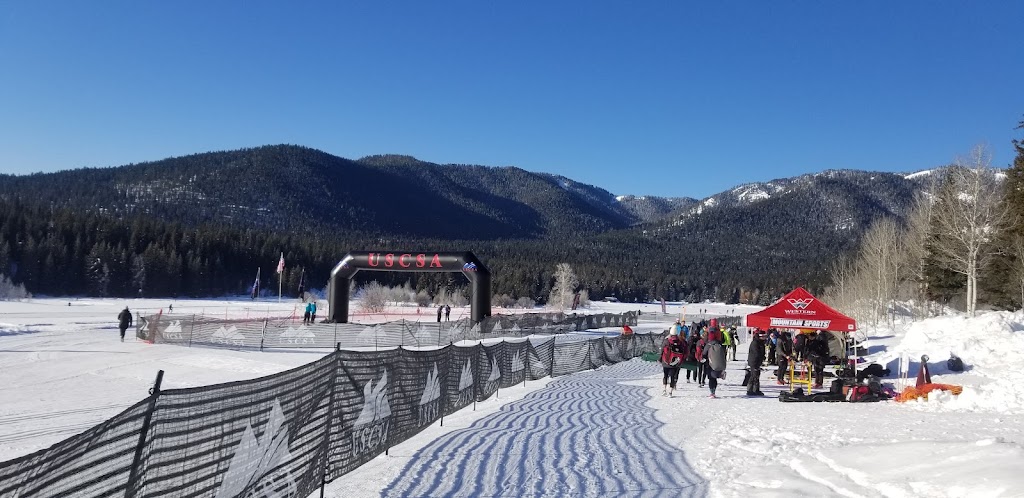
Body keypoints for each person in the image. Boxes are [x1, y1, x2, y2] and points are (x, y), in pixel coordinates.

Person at [700, 328, 728, 398]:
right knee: (714, 378)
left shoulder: (709, 344)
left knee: (711, 378)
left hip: (710, 364)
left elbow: (704, 353)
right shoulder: (720, 343)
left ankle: (712, 392)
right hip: (717, 362)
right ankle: (714, 391)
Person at [746, 331, 766, 396]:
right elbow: (756, 353)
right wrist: (761, 357)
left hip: (758, 361)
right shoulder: (755, 343)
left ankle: (756, 389)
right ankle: (750, 390)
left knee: (757, 375)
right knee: (754, 376)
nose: (765, 338)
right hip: (754, 361)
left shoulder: (761, 342)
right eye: (763, 336)